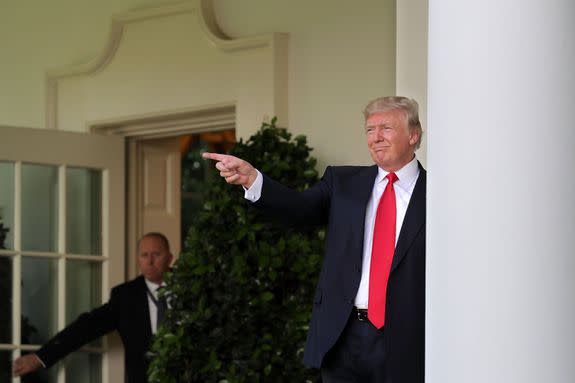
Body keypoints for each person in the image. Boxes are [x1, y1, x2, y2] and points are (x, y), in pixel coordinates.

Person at [203, 96, 425, 383]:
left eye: (386, 128)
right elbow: (299, 210)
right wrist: (253, 179)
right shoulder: (343, 182)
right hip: (343, 338)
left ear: (413, 135)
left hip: (407, 339)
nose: (376, 138)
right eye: (370, 130)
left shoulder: (437, 193)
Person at [12, 232, 174, 383]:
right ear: (138, 260)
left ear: (170, 258)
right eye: (144, 255)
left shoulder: (191, 289)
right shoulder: (125, 296)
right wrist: (41, 357)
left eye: (156, 254)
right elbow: (85, 327)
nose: (150, 261)